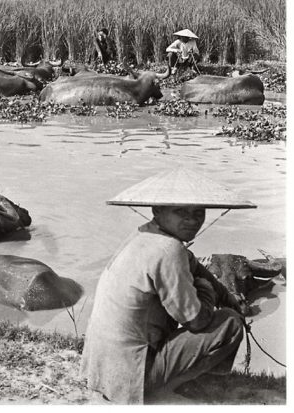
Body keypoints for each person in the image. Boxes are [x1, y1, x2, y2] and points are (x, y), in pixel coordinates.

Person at [80, 167, 252, 404]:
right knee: (230, 322)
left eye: (199, 212)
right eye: (181, 212)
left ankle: (178, 377)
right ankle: (185, 385)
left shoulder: (144, 235)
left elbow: (196, 266)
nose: (192, 220)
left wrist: (228, 296)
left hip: (102, 368)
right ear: (157, 211)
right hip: (133, 375)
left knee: (223, 308)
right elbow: (197, 320)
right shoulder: (169, 250)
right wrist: (206, 290)